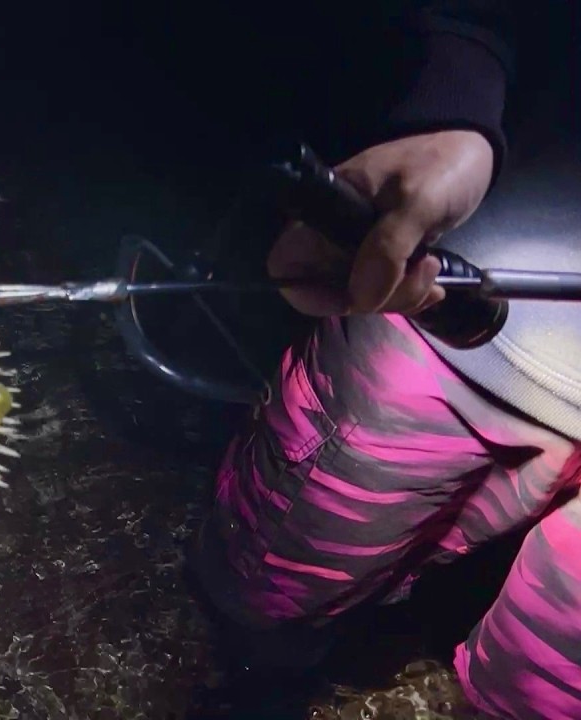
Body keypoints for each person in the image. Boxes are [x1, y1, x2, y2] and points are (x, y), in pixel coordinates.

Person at [186, 1, 581, 718]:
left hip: (468, 312)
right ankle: (251, 678)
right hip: (451, 317)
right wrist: (455, 96)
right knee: (269, 576)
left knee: (531, 692)